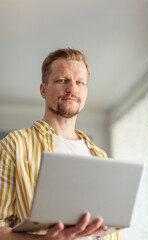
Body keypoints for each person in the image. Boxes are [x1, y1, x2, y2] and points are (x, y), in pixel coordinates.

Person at [0, 48, 119, 240]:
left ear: (86, 92)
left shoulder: (99, 156)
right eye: (62, 80)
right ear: (43, 90)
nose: (72, 89)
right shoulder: (14, 145)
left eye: (80, 82)